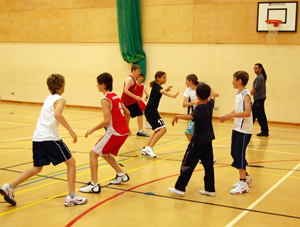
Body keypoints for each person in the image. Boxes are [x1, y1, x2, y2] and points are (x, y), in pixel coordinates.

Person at [0, 74, 87, 207]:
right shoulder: (60, 99)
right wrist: (70, 130)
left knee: (37, 168)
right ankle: (71, 196)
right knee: (71, 162)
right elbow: (57, 114)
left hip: (38, 137)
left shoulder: (48, 98)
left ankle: (10, 186)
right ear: (62, 86)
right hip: (49, 138)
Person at [79, 73, 131, 194]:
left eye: (98, 82)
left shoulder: (105, 100)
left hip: (115, 132)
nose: (96, 85)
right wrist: (126, 127)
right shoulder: (116, 96)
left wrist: (92, 129)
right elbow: (127, 112)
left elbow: (106, 121)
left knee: (93, 154)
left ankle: (94, 184)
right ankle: (121, 174)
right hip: (123, 132)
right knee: (104, 153)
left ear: (103, 84)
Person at [168, 84, 216, 196]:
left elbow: (191, 117)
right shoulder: (210, 105)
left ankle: (179, 188)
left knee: (187, 163)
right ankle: (210, 189)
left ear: (197, 95)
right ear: (207, 95)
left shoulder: (199, 108)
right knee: (208, 165)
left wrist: (177, 116)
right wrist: (209, 88)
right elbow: (213, 96)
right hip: (208, 140)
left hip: (197, 141)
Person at [220, 71, 253, 195]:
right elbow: (239, 110)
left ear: (239, 81)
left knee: (239, 154)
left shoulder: (246, 94)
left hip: (244, 130)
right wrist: (228, 115)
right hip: (237, 128)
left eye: (233, 79)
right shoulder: (238, 94)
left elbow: (247, 112)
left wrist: (232, 115)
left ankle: (243, 183)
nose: (232, 82)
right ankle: (247, 177)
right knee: (234, 152)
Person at [142, 71, 179, 158]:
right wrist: (173, 96)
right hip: (151, 112)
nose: (166, 79)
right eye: (164, 78)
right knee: (163, 130)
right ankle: (150, 147)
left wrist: (165, 89)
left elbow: (161, 91)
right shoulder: (157, 87)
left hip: (151, 111)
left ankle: (146, 148)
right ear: (158, 78)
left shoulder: (156, 86)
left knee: (157, 131)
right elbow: (164, 92)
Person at [121, 64, 149, 137]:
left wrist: (145, 97)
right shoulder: (129, 79)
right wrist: (136, 96)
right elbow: (125, 90)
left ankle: (140, 131)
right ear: (133, 70)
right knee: (126, 116)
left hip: (132, 101)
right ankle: (124, 129)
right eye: (138, 71)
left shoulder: (134, 79)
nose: (139, 73)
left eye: (139, 71)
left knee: (140, 114)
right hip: (126, 102)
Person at [251, 63, 269, 137]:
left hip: (259, 99)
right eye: (254, 68)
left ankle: (265, 131)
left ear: (260, 68)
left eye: (256, 68)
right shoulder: (261, 77)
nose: (255, 70)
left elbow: (254, 89)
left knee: (260, 116)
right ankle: (248, 129)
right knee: (253, 115)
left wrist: (247, 96)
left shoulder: (259, 78)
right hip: (259, 99)